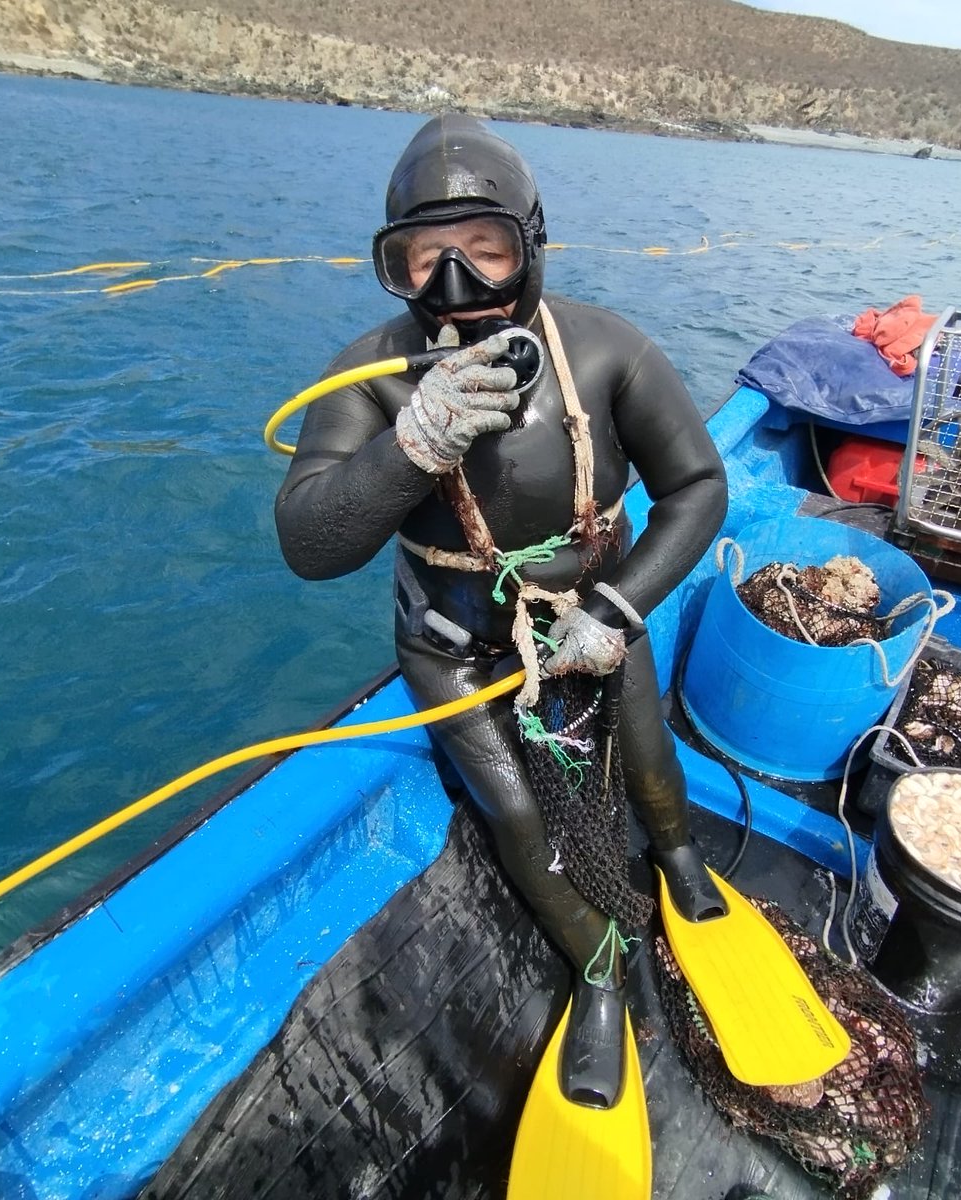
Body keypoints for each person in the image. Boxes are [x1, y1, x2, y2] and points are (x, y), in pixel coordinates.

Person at [273, 114, 728, 1117]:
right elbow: (309, 543)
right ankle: (600, 968)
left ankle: (682, 858)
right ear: (390, 267)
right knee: (518, 812)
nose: (457, 290)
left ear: (532, 245)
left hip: (595, 610)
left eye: (485, 253)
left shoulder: (608, 351)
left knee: (648, 749)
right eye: (421, 261)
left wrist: (617, 606)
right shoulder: (372, 375)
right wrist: (412, 444)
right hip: (450, 645)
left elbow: (698, 487)